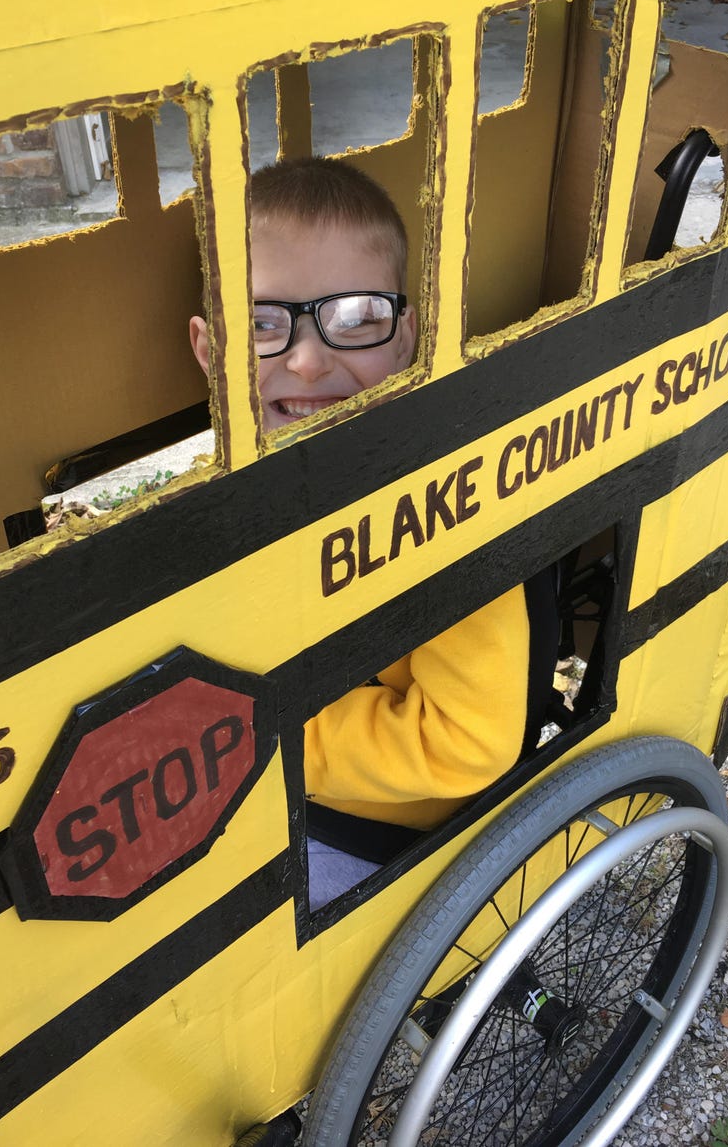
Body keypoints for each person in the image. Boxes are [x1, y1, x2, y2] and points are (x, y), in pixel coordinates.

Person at [190, 156, 531, 908]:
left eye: (356, 318)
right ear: (210, 350)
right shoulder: (239, 481)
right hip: (258, 784)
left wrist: (261, 739)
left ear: (405, 335)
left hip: (378, 832)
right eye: (261, 323)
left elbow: (467, 739)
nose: (309, 362)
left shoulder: (445, 505)